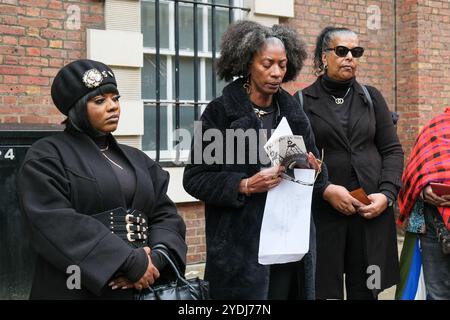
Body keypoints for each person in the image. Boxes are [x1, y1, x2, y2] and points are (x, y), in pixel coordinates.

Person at [18, 59, 187, 299]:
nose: (113, 107)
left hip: (141, 288)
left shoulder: (138, 160)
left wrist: (156, 258)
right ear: (77, 108)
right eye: (100, 101)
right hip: (76, 285)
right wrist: (127, 261)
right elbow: (53, 221)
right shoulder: (47, 155)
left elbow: (166, 215)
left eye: (115, 99)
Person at [183, 20, 328, 300]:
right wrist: (245, 184)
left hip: (290, 247)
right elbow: (195, 178)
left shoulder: (294, 114)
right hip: (240, 253)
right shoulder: (220, 113)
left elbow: (316, 181)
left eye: (282, 65)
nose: (276, 73)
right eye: (267, 64)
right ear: (248, 62)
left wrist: (315, 171)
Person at [296, 27, 404, 299]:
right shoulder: (301, 101)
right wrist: (325, 190)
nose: (350, 58)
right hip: (324, 217)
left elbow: (392, 150)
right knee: (324, 292)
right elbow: (295, 161)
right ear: (323, 57)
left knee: (368, 290)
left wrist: (387, 195)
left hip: (370, 216)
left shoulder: (371, 97)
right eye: (341, 51)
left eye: (356, 52)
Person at [397, 108, 450, 300]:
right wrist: (423, 188)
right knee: (438, 294)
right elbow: (415, 171)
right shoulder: (435, 128)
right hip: (435, 227)